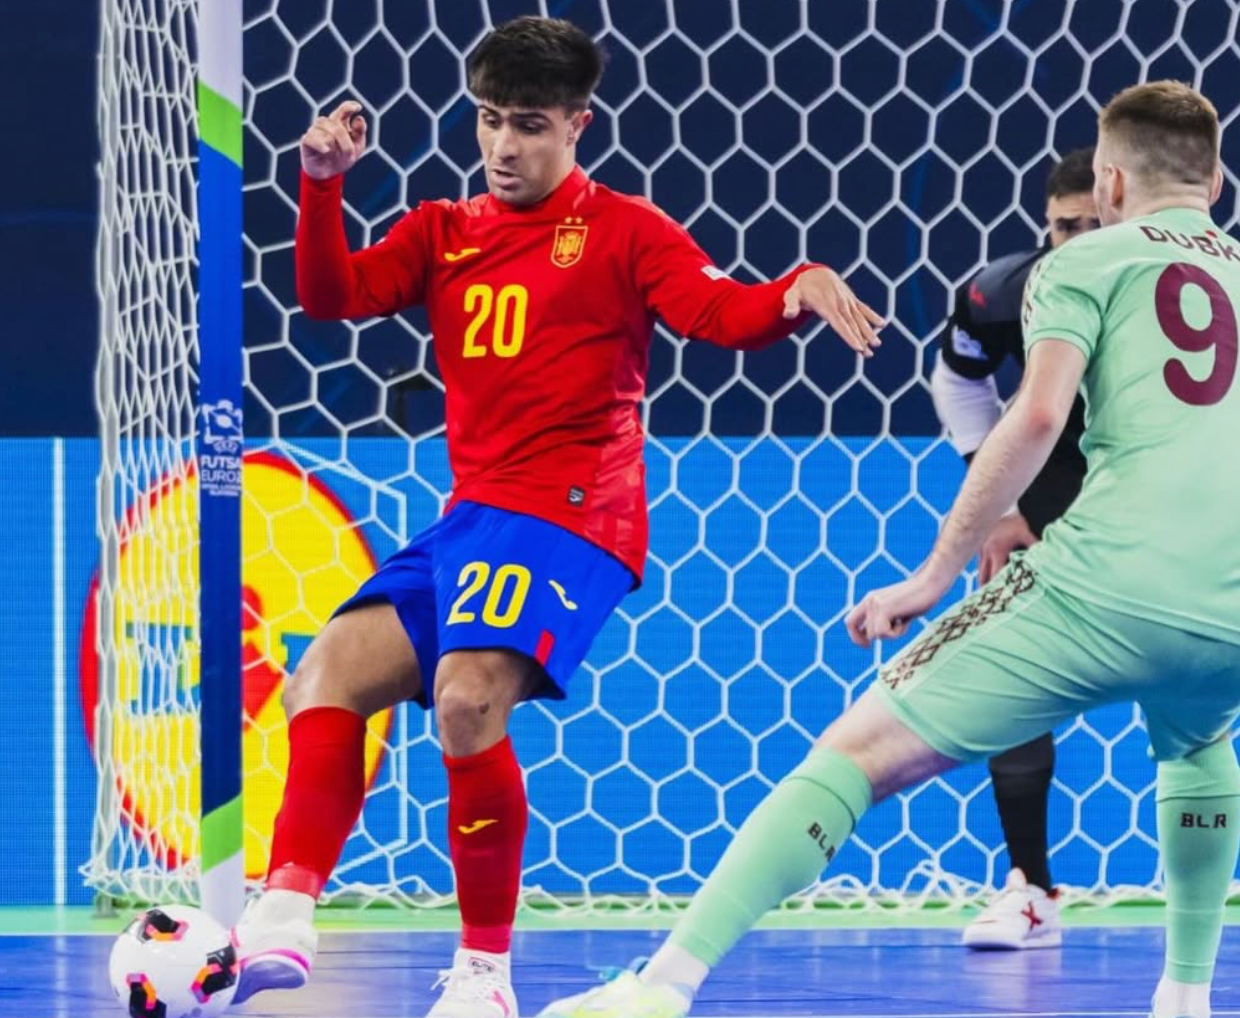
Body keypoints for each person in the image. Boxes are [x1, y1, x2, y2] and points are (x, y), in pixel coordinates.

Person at [538, 79, 1240, 1018]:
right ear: (1216, 183)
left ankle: (659, 988)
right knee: (1196, 746)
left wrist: (934, 574)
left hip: (1104, 585)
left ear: (1108, 183)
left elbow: (1036, 416)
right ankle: (1186, 999)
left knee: (855, 753)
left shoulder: (1081, 262)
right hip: (1229, 607)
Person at [228, 15, 884, 1018]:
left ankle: (483, 976)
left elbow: (722, 316)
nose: (502, 145)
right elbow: (330, 296)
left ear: (578, 124)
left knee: (465, 701)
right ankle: (283, 914)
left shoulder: (625, 230)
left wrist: (799, 287)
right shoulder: (443, 230)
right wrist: (321, 185)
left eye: (528, 125)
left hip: (577, 515)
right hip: (473, 516)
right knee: (325, 674)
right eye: (489, 119)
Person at [930, 146, 1100, 949]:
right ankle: (1031, 890)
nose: (1080, 244)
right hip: (1048, 522)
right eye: (1066, 227)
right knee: (1011, 685)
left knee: (1195, 712)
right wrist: (998, 507)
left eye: (1097, 225)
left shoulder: (1193, 292)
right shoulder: (1002, 295)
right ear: (1045, 226)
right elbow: (958, 378)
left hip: (1166, 523)